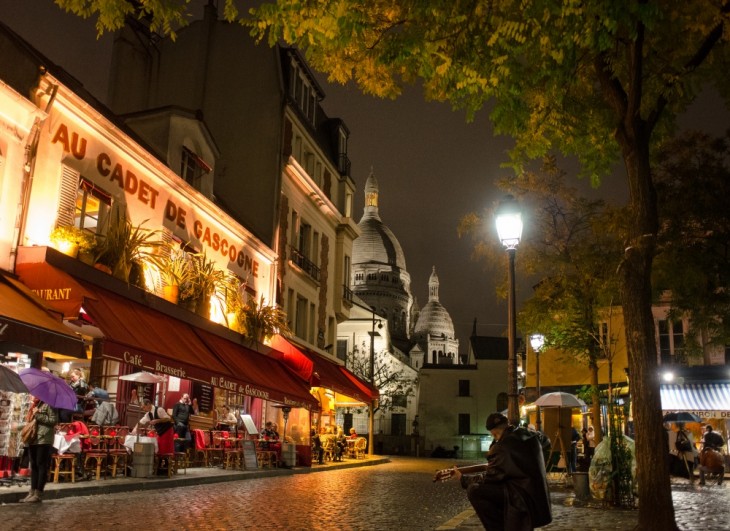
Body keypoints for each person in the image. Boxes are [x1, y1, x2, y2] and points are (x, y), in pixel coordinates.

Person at [436, 412, 552, 531]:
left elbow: (489, 478)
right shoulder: (530, 434)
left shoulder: (502, 447)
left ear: (494, 432)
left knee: (475, 490)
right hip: (538, 498)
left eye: (494, 436)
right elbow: (547, 441)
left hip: (521, 499)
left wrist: (463, 478)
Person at [19, 398, 58, 503]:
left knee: (41, 465)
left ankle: (38, 493)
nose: (33, 396)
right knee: (34, 465)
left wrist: (38, 414)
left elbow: (53, 421)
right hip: (33, 438)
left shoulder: (50, 404)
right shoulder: (37, 404)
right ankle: (32, 492)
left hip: (44, 439)